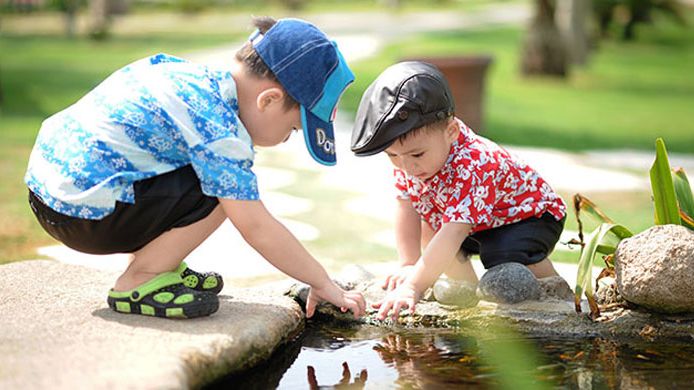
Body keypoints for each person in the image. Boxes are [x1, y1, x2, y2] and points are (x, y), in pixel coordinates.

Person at [25, 17, 366, 320]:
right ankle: (140, 279)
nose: (285, 140)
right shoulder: (219, 129)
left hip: (50, 194)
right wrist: (321, 281)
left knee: (214, 176)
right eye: (293, 130)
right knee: (226, 192)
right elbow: (256, 227)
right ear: (269, 100)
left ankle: (161, 264)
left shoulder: (189, 77)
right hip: (82, 216)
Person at [350, 61, 567, 321]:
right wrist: (409, 263)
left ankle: (555, 292)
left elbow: (455, 231)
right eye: (393, 156)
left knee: (501, 255)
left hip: (529, 217)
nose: (407, 166)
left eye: (416, 154)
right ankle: (467, 294)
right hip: (477, 222)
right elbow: (406, 207)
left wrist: (412, 287)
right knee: (431, 228)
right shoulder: (411, 161)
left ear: (451, 131)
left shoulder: (475, 163)